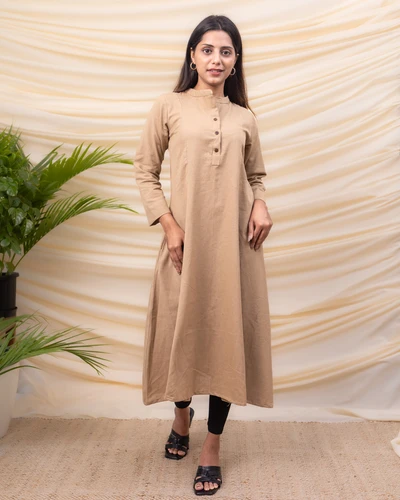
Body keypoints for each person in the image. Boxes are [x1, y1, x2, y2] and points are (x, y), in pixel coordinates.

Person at [134, 14, 274, 496]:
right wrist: (169, 224)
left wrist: (260, 203)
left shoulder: (244, 117)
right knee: (183, 331)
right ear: (192, 56)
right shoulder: (168, 106)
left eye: (226, 52)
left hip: (235, 248)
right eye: (208, 49)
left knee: (226, 341)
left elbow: (256, 175)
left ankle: (211, 446)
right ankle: (181, 415)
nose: (217, 59)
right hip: (184, 245)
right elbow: (144, 170)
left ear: (235, 62)